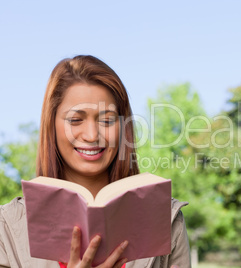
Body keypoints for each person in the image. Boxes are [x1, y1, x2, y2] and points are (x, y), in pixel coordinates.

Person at [0, 55, 191, 268]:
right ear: (51, 125)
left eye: (107, 120)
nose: (92, 135)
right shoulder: (6, 227)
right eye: (75, 119)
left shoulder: (167, 219)